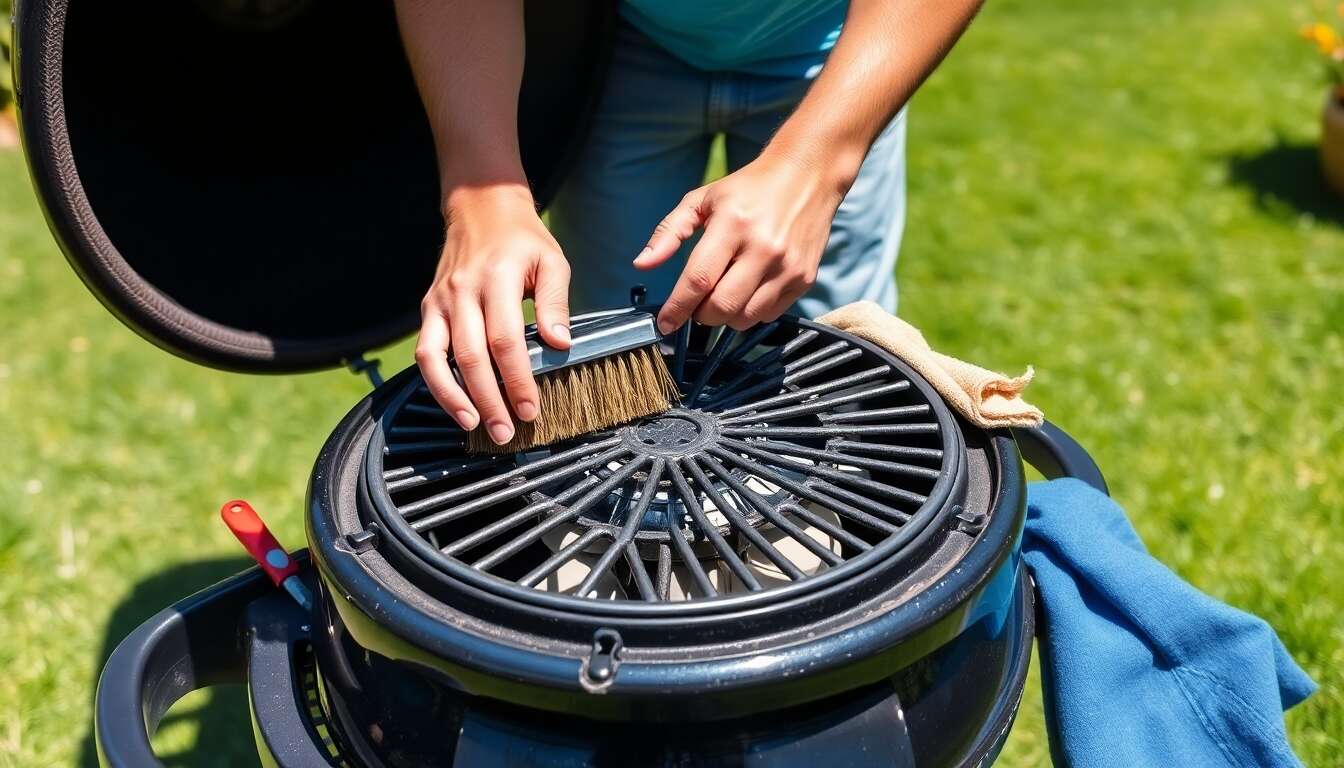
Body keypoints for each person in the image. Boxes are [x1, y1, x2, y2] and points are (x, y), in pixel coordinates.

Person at [395, 0, 983, 446]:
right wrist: (483, 194)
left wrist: (817, 166)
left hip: (850, 54)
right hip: (621, 46)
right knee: (607, 322)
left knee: (839, 356)